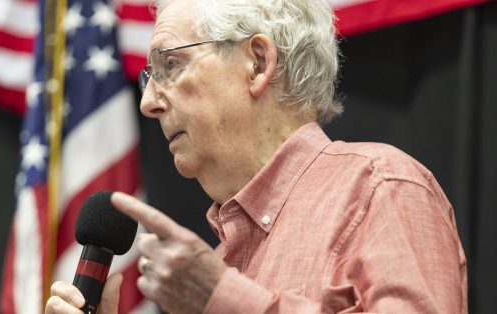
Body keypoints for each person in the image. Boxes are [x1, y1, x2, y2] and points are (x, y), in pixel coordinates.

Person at [46, 0, 467, 313]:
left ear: (257, 63)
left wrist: (224, 299)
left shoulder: (381, 189)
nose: (149, 103)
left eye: (171, 65)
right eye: (150, 75)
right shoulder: (212, 266)